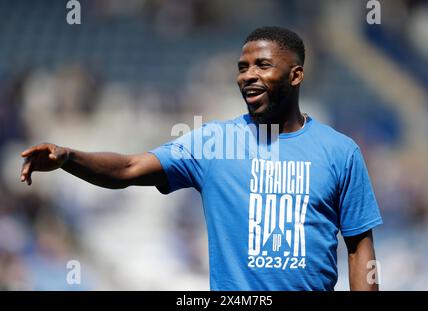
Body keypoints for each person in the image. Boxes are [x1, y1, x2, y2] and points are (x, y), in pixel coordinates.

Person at [20, 26, 382, 291]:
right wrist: (69, 158)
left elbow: (358, 246)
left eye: (262, 65)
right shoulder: (213, 143)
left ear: (296, 75)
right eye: (243, 67)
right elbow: (128, 169)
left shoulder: (340, 152)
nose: (248, 76)